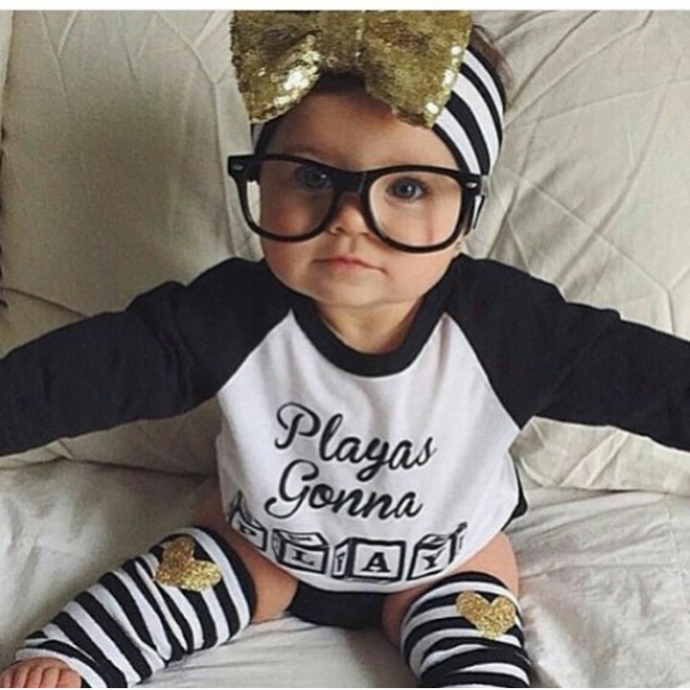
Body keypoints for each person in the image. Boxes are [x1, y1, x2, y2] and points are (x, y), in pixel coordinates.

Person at [1, 9, 690, 689]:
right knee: (174, 578)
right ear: (260, 181)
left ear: (465, 213)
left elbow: (646, 378)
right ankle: (74, 658)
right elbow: (75, 377)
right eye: (312, 178)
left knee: (475, 645)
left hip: (444, 561)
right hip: (263, 546)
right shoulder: (228, 315)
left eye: (408, 187)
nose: (351, 219)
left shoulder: (509, 328)